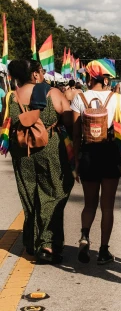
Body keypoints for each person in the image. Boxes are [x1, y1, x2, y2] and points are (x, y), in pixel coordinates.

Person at [3, 59, 74, 264]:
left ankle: (32, 242)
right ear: (34, 75)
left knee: (29, 193)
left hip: (21, 151)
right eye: (41, 71)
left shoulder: (11, 97)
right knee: (55, 192)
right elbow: (69, 120)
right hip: (50, 148)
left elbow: (5, 122)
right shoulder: (52, 93)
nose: (42, 74)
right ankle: (48, 244)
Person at [71, 61, 121, 264]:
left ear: (89, 78)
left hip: (88, 154)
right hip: (110, 153)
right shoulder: (117, 98)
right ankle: (104, 250)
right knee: (107, 206)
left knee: (89, 204)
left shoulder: (80, 98)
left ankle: (85, 237)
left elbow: (76, 134)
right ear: (105, 79)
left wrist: (76, 163)